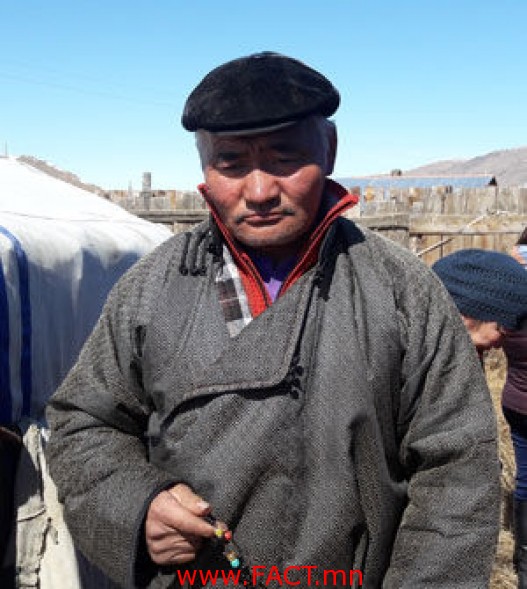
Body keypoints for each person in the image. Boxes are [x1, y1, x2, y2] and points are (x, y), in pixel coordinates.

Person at [46, 52, 500, 588]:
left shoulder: (402, 290)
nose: (259, 191)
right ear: (203, 165)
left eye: (285, 158)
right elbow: (83, 423)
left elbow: (457, 468)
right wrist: (137, 505)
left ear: (329, 149)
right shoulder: (151, 289)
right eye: (231, 163)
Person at [432, 248, 527, 588]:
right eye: (502, 326)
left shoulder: (464, 354)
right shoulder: (414, 365)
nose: (502, 342)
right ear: (466, 313)